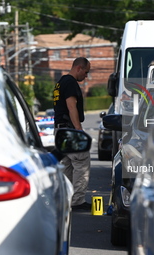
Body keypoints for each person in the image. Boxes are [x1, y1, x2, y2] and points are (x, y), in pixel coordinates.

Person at [53, 57, 91, 211]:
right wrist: (78, 130)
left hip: (60, 130)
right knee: (81, 163)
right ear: (79, 68)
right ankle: (77, 201)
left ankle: (67, 198)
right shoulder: (70, 83)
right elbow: (71, 107)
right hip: (70, 130)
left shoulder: (60, 82)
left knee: (67, 165)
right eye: (86, 72)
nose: (86, 76)